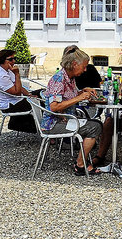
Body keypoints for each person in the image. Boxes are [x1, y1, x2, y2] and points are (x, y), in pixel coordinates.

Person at [44, 46, 115, 175]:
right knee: (95, 127)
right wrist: (79, 98)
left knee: (95, 124)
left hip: (65, 120)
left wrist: (83, 91)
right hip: (53, 124)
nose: (85, 69)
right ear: (74, 64)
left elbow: (68, 95)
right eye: (84, 66)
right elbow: (54, 106)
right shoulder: (59, 79)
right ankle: (80, 165)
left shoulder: (69, 78)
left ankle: (82, 162)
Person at [0, 48, 39, 133]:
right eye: (10, 59)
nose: (14, 61)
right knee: (41, 102)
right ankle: (43, 129)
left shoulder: (6, 70)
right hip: (11, 105)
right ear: (2, 60)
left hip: (16, 99)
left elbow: (18, 86)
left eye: (14, 58)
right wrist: (17, 74)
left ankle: (44, 126)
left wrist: (29, 94)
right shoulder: (1, 76)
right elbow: (17, 92)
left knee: (42, 93)